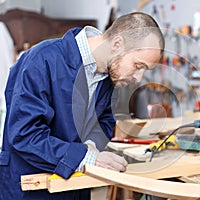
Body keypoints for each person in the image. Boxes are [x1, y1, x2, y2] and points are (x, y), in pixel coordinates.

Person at [0, 12, 165, 199]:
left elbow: (104, 122)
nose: (138, 78)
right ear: (118, 44)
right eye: (138, 66)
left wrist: (92, 147)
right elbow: (25, 135)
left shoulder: (109, 75)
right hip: (30, 188)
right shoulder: (41, 60)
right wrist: (87, 157)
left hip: (74, 185)